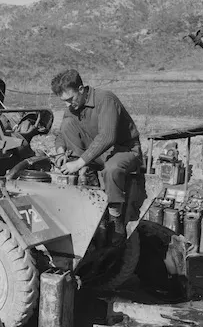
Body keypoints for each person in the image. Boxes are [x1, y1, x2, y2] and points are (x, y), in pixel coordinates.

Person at [51, 69, 142, 245]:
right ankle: (91, 188)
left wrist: (78, 162)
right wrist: (61, 151)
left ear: (81, 89)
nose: (68, 105)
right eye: (64, 101)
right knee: (68, 124)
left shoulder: (106, 99)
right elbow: (62, 133)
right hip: (95, 152)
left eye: (70, 99)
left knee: (112, 170)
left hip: (123, 150)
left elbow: (108, 137)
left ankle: (115, 218)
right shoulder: (73, 107)